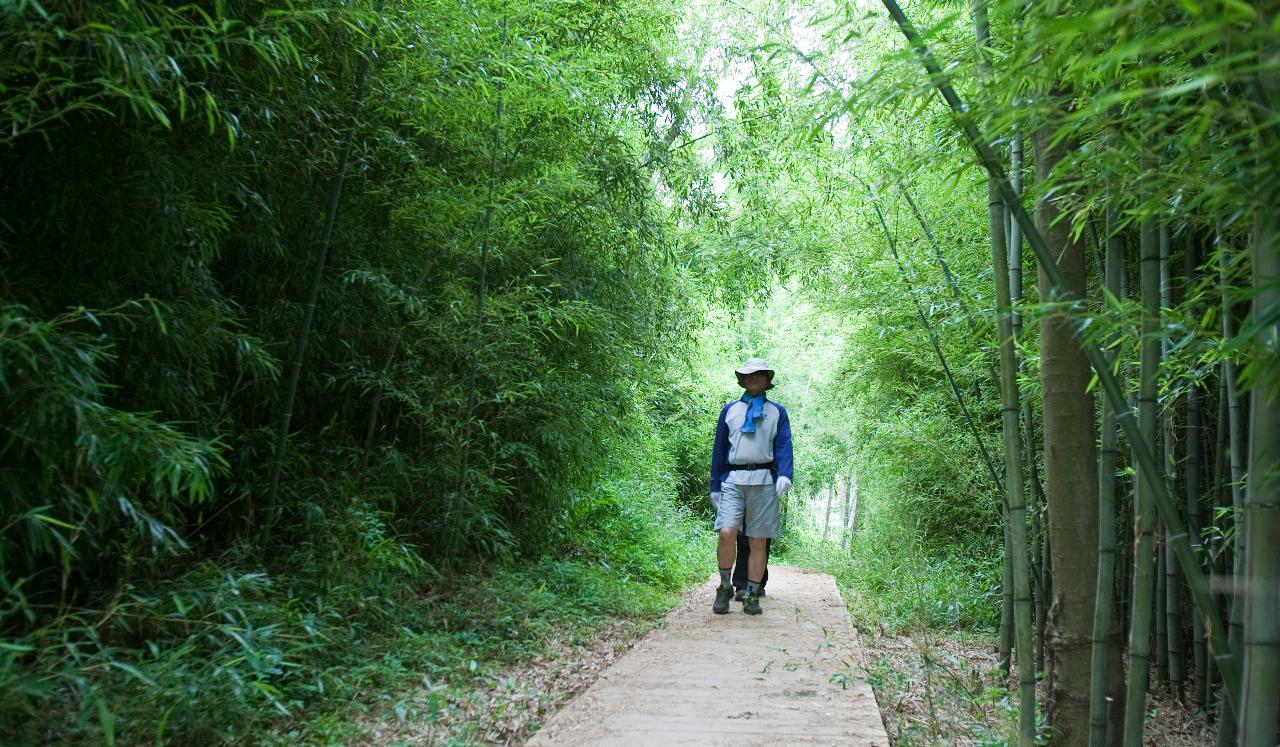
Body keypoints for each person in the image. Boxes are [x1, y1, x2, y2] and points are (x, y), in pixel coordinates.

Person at [709, 358, 793, 615]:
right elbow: (720, 449)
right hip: (733, 479)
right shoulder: (730, 410)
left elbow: (783, 444)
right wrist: (715, 484)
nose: (754, 378)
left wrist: (785, 474)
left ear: (768, 381)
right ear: (743, 380)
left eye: (760, 375)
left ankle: (752, 594)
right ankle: (724, 587)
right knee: (726, 532)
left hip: (764, 480)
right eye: (750, 375)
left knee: (758, 540)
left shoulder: (777, 412)